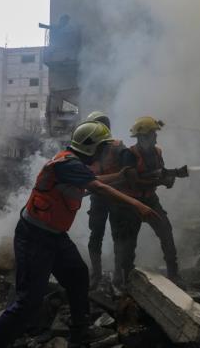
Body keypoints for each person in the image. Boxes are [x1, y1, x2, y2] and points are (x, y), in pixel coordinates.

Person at [0, 121, 158, 348]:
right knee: (28, 302)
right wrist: (137, 205)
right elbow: (97, 188)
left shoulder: (73, 163)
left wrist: (119, 176)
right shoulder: (68, 164)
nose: (105, 153)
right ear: (91, 147)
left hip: (54, 236)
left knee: (78, 276)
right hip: (35, 237)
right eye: (103, 148)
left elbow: (93, 181)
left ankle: (80, 334)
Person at [111, 116, 181, 286]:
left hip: (150, 200)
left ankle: (174, 274)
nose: (156, 137)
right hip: (130, 204)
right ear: (142, 137)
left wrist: (171, 176)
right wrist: (161, 182)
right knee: (128, 244)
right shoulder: (129, 155)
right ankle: (126, 279)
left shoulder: (157, 152)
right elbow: (134, 182)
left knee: (166, 231)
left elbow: (160, 172)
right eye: (152, 134)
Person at [85, 111, 126, 288]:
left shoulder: (118, 148)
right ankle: (96, 275)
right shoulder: (87, 151)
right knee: (96, 236)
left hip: (116, 198)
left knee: (118, 236)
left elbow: (127, 173)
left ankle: (119, 274)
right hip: (98, 198)